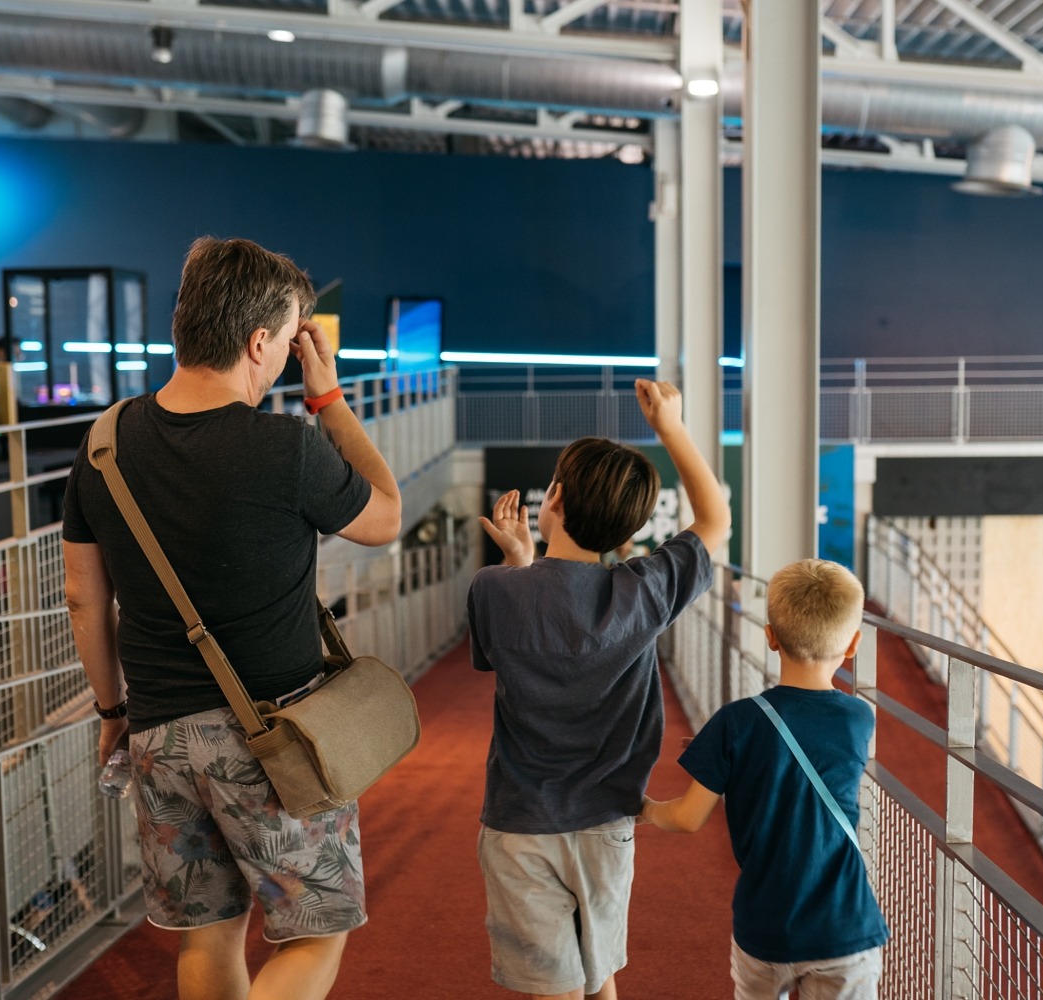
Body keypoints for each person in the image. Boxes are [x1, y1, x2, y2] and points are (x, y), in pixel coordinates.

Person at [62, 237, 401, 1000]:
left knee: (208, 939)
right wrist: (330, 402)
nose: (285, 355)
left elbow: (85, 595)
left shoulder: (106, 443)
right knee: (316, 933)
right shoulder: (285, 447)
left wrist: (112, 710)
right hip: (270, 741)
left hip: (156, 734)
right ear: (258, 342)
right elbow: (385, 516)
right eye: (286, 341)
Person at [470, 379, 730, 1000]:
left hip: (520, 821)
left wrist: (518, 562)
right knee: (599, 974)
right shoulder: (643, 592)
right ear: (631, 529)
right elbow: (715, 518)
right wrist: (671, 426)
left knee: (552, 986)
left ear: (552, 498)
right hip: (610, 818)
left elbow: (518, 628)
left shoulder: (493, 588)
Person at [642, 559, 889, 1000]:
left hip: (765, 926)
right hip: (843, 924)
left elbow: (687, 818)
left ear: (770, 637)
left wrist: (644, 807)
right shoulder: (860, 718)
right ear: (853, 645)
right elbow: (824, 753)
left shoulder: (734, 723)